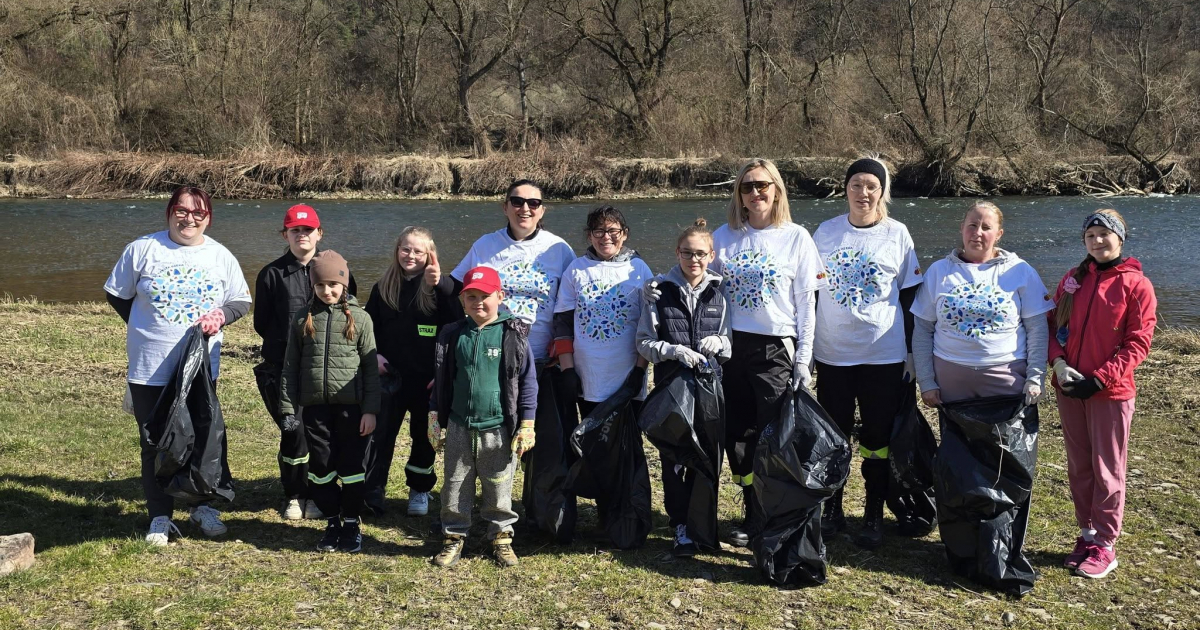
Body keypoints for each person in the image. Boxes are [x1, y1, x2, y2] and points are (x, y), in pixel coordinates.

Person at [680, 158, 826, 548]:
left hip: (775, 348)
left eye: (763, 185)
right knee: (737, 438)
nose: (756, 192)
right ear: (739, 194)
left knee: (774, 438)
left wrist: (803, 360)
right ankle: (750, 511)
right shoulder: (725, 237)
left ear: (776, 189)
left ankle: (774, 517)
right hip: (729, 348)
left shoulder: (796, 237)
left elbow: (806, 305)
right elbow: (694, 274)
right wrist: (660, 288)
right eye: (747, 186)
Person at [104, 186, 251, 546]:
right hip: (149, 368)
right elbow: (117, 294)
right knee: (155, 442)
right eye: (182, 211)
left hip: (199, 370)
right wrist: (146, 326)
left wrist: (221, 315)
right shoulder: (143, 250)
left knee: (202, 438)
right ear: (169, 212)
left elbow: (241, 300)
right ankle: (160, 516)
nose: (189, 219)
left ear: (208, 218)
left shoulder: (220, 255)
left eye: (198, 213)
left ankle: (202, 505)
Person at [451, 179, 577, 539]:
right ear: (504, 206)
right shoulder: (486, 246)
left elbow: (572, 305)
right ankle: (487, 514)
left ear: (543, 210)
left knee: (544, 445)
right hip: (494, 364)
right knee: (495, 445)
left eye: (534, 203)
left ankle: (541, 516)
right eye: (517, 201)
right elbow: (457, 291)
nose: (525, 209)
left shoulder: (559, 249)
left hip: (543, 363)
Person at [812, 157, 922, 549]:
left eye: (871, 186)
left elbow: (911, 296)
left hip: (884, 356)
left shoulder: (898, 234)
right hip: (832, 354)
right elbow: (808, 293)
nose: (863, 193)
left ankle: (873, 513)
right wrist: (805, 350)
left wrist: (912, 354)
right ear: (845, 189)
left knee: (877, 438)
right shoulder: (824, 233)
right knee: (835, 435)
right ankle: (833, 509)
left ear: (882, 192)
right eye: (856, 184)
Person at [1048, 209, 1156, 579]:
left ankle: (1106, 544)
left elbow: (1137, 343)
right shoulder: (1071, 279)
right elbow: (1052, 326)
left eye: (1104, 234)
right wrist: (1059, 364)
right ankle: (1086, 534)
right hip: (1069, 390)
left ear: (1120, 238)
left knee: (1107, 469)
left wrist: (1099, 380)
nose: (1097, 241)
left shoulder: (1136, 284)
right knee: (1079, 466)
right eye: (1091, 235)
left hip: (1110, 394)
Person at [428, 266, 539, 567]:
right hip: (459, 425)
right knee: (455, 483)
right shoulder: (453, 335)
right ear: (462, 300)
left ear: (500, 296)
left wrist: (527, 423)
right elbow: (442, 379)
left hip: (498, 428)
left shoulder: (512, 335)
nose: (478, 302)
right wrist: (434, 416)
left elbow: (528, 382)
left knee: (499, 484)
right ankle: (453, 535)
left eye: (485, 296)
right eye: (471, 296)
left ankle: (501, 538)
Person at [253, 204, 358, 521]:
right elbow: (262, 323)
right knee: (293, 432)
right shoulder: (271, 274)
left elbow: (350, 314)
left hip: (326, 371)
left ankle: (320, 493)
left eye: (308, 229)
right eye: (295, 230)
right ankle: (296, 494)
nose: (302, 235)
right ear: (285, 234)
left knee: (323, 435)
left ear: (319, 233)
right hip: (285, 372)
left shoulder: (335, 270)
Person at [637, 218, 731, 557]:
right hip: (671, 387)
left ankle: (703, 526)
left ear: (712, 255)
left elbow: (729, 344)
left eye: (701, 254)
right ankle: (680, 527)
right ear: (677, 253)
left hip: (709, 389)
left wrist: (717, 343)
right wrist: (674, 351)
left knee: (707, 457)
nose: (694, 260)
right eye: (687, 253)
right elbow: (644, 344)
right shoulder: (658, 292)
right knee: (675, 458)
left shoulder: (720, 292)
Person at [279, 250, 380, 554]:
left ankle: (351, 522)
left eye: (334, 285)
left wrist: (370, 410)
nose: (327, 291)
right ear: (313, 285)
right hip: (315, 410)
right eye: (320, 285)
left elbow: (371, 369)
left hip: (352, 410)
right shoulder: (301, 318)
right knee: (320, 470)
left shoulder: (360, 319)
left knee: (351, 468)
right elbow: (289, 367)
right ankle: (332, 520)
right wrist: (287, 407)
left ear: (344, 285)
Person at [911, 200, 1053, 408]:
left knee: (1006, 440)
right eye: (972, 225)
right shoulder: (938, 271)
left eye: (986, 228)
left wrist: (1035, 377)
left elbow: (1037, 329)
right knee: (956, 440)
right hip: (951, 379)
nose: (977, 233)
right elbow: (922, 330)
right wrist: (926, 382)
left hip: (1007, 377)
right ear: (962, 228)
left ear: (999, 234)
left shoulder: (1021, 270)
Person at [364, 226, 462, 517]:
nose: (411, 255)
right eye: (405, 248)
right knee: (379, 436)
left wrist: (442, 373)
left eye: (418, 251)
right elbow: (368, 330)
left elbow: (457, 329)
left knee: (424, 436)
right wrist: (375, 357)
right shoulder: (383, 286)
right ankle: (373, 490)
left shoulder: (440, 288)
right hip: (389, 377)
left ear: (429, 254)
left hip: (427, 381)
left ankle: (419, 490)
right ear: (397, 250)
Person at [553, 205, 653, 418]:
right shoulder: (576, 269)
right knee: (592, 443)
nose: (606, 237)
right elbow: (562, 324)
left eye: (613, 231)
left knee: (627, 444)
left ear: (624, 234)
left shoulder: (640, 269)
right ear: (589, 236)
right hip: (587, 376)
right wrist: (568, 370)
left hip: (627, 375)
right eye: (598, 231)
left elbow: (649, 326)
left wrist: (640, 371)